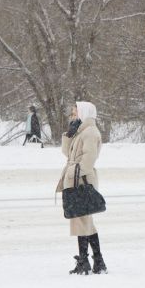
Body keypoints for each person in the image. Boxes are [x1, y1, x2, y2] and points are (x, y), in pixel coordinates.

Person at [56, 101, 107, 275]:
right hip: (76, 177)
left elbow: (89, 159)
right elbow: (67, 153)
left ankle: (85, 262)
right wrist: (68, 135)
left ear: (84, 112)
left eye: (75, 112)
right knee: (85, 222)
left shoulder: (91, 132)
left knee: (81, 221)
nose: (73, 115)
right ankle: (97, 261)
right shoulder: (81, 131)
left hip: (82, 180)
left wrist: (74, 173)